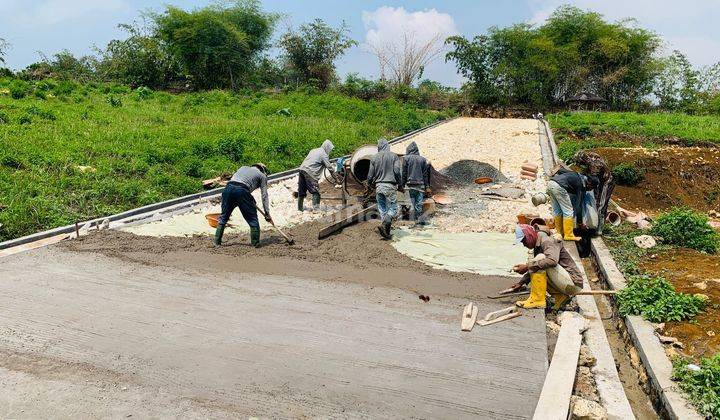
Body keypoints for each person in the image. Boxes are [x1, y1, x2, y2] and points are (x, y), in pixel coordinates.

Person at [510, 224, 584, 310]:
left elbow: (552, 261)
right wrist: (521, 283)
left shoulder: (547, 241)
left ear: (529, 235)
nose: (524, 245)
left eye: (524, 241)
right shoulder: (539, 242)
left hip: (573, 283)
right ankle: (560, 297)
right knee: (538, 263)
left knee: (541, 258)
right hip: (566, 282)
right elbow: (535, 267)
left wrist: (527, 266)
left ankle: (537, 300)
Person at [214, 163, 272, 247]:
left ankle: (216, 241)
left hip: (228, 189)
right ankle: (255, 243)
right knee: (252, 218)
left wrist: (251, 199)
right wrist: (267, 213)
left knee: (223, 217)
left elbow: (237, 182)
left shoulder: (242, 168)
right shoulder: (262, 175)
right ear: (262, 170)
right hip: (242, 192)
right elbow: (264, 195)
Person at [569, 150, 615, 234]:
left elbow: (594, 175)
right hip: (597, 181)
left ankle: (598, 227)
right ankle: (591, 222)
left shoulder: (594, 162)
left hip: (606, 182)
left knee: (600, 203)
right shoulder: (590, 161)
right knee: (593, 200)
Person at [546, 169, 598, 241]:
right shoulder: (581, 184)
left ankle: (559, 232)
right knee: (568, 211)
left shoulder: (578, 175)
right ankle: (568, 235)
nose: (589, 190)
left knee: (557, 210)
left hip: (551, 183)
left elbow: (561, 170)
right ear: (589, 183)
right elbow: (578, 205)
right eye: (591, 188)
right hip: (559, 187)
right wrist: (580, 223)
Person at [367, 138, 402, 239]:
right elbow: (396, 172)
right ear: (388, 146)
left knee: (382, 208)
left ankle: (386, 231)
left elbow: (370, 176)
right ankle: (386, 223)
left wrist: (370, 185)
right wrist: (400, 185)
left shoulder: (374, 158)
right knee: (394, 208)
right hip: (390, 186)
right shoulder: (394, 156)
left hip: (379, 187)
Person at [298, 139, 336, 211]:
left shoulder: (313, 150)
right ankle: (316, 209)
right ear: (327, 147)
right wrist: (337, 179)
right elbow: (330, 168)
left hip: (302, 170)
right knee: (316, 191)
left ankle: (300, 208)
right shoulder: (323, 155)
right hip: (310, 172)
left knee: (301, 191)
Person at [401, 141, 431, 225]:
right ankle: (419, 219)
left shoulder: (406, 159)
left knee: (413, 202)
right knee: (419, 203)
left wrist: (402, 185)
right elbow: (425, 175)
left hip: (410, 184)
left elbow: (404, 173)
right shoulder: (422, 159)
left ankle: (414, 219)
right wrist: (427, 186)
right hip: (420, 185)